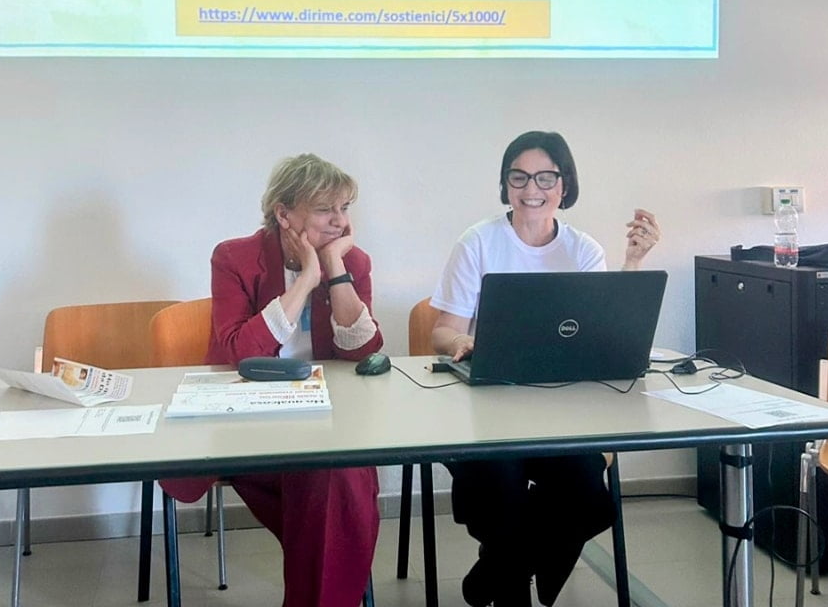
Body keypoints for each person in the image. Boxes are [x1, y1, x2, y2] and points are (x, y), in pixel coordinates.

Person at [430, 130, 661, 607]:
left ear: (564, 184)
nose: (531, 188)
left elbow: (605, 337)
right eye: (518, 177)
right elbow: (442, 331)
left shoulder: (583, 250)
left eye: (545, 177)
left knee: (586, 493)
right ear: (505, 184)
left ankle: (494, 573)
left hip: (565, 413)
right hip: (490, 412)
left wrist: (633, 262)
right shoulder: (477, 242)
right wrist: (463, 341)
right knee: (498, 483)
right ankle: (510, 587)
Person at [162, 153, 383, 607]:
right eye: (325, 210)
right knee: (331, 494)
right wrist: (305, 280)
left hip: (324, 426)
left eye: (344, 208)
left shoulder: (353, 261)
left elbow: (362, 352)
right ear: (284, 214)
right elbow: (239, 353)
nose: (340, 222)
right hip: (244, 425)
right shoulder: (234, 258)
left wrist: (334, 268)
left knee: (335, 475)